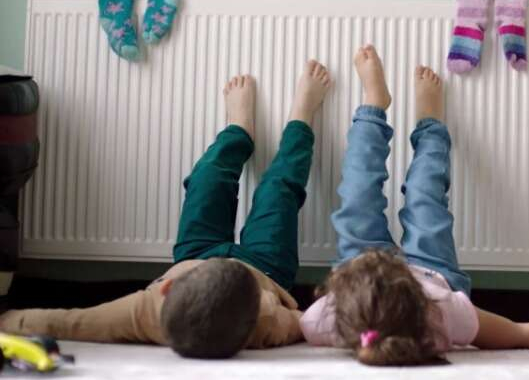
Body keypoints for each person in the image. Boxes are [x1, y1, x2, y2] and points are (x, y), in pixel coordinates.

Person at [300, 45, 529, 366]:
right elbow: (520, 334)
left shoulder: (324, 320)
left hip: (357, 274)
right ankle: (430, 121)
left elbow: (287, 319)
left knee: (358, 189)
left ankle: (374, 103)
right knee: (425, 192)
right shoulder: (444, 311)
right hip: (432, 272)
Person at [0, 60, 332, 359]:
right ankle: (301, 117)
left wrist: (9, 321)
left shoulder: (146, 312)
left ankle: (238, 130)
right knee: (279, 189)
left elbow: (73, 322)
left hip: (196, 253)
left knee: (206, 179)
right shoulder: (267, 322)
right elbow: (309, 323)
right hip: (266, 269)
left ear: (165, 287)